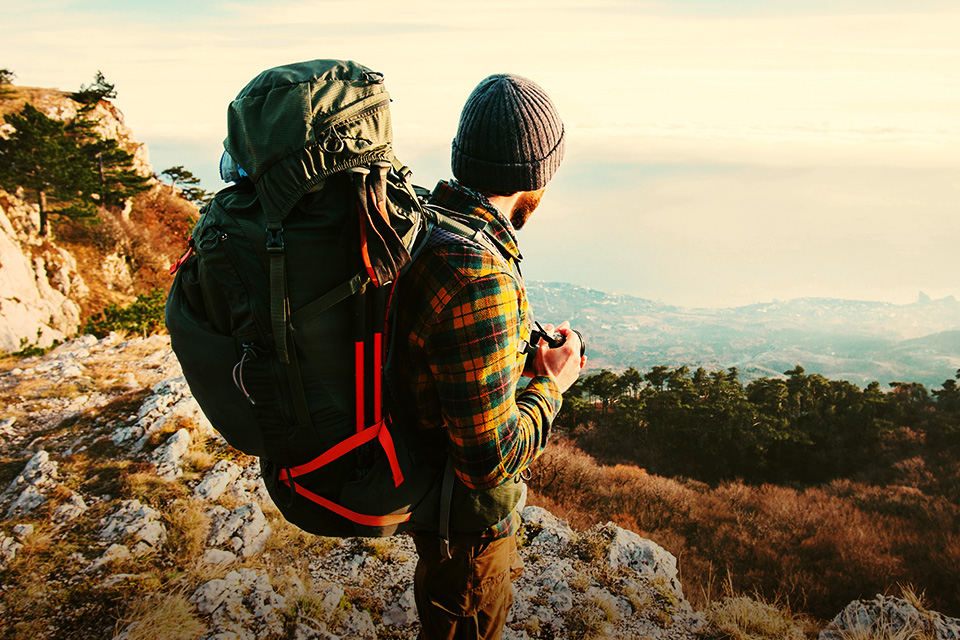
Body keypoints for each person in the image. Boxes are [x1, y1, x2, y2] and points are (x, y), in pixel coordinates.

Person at [390, 73, 585, 640]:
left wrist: (512, 359)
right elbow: (489, 465)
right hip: (465, 528)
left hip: (419, 474)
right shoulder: (479, 273)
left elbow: (435, 347)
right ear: (535, 178)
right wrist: (553, 382)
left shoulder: (425, 221)